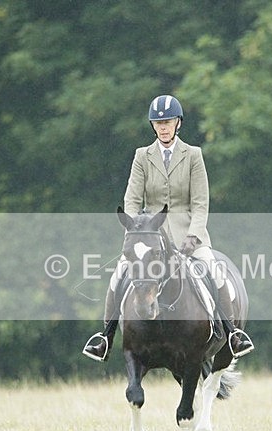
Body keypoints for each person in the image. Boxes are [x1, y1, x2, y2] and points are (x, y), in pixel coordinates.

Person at [82, 94, 253, 361]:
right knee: (117, 276)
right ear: (153, 125)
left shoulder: (193, 155)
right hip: (150, 237)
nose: (163, 126)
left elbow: (200, 203)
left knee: (216, 272)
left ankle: (232, 335)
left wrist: (194, 236)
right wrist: (134, 229)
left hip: (189, 235)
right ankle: (104, 337)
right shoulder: (142, 156)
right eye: (158, 122)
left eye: (168, 121)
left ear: (178, 123)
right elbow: (131, 198)